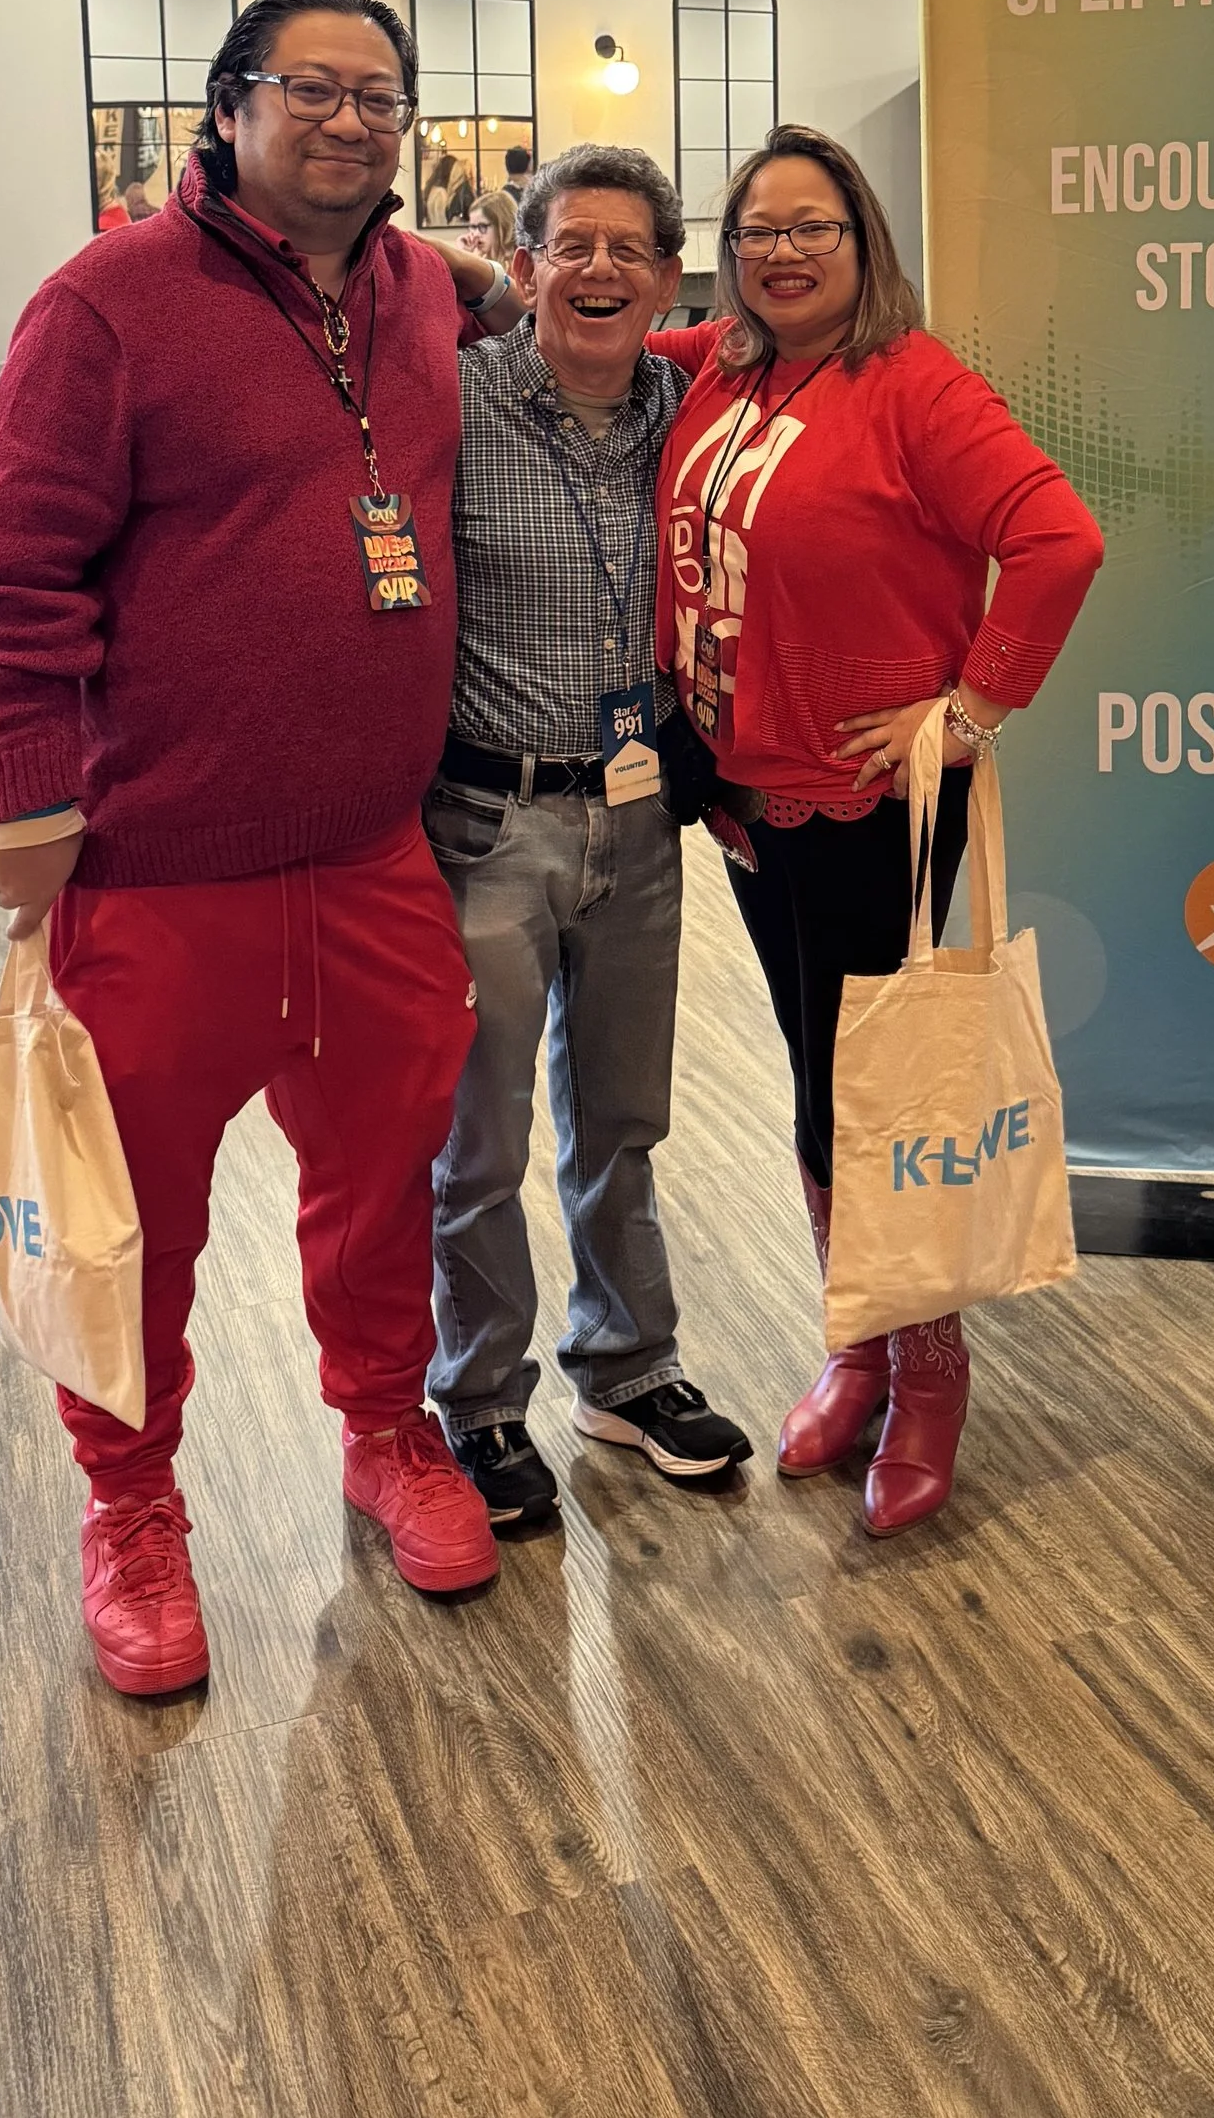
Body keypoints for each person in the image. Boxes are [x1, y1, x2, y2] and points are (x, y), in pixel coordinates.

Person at [0, 0, 501, 1701]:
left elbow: (484, 305)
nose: (350, 121)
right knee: (141, 1222)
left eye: (379, 97)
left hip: (369, 856)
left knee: (381, 1182)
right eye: (311, 89)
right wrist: (32, 810)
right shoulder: (106, 307)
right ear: (229, 105)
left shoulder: (426, 294)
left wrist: (496, 275)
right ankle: (130, 1510)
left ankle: (384, 1431)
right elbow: (14, 580)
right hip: (157, 873)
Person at [655, 126, 1101, 1535]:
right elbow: (573, 319)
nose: (783, 251)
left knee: (881, 1100)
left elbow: (1058, 539)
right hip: (748, 803)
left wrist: (970, 710)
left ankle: (927, 1376)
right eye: (758, 231)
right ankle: (855, 1337)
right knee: (810, 1082)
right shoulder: (722, 370)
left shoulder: (912, 385)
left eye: (813, 227)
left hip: (874, 810)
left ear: (864, 244)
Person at [428, 143, 752, 1534]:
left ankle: (628, 1368)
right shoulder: (452, 405)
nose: (602, 269)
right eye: (574, 245)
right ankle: (482, 1404)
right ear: (526, 265)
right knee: (479, 1139)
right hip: (485, 820)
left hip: (637, 816)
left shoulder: (691, 411)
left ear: (666, 277)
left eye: (632, 248)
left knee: (623, 1119)